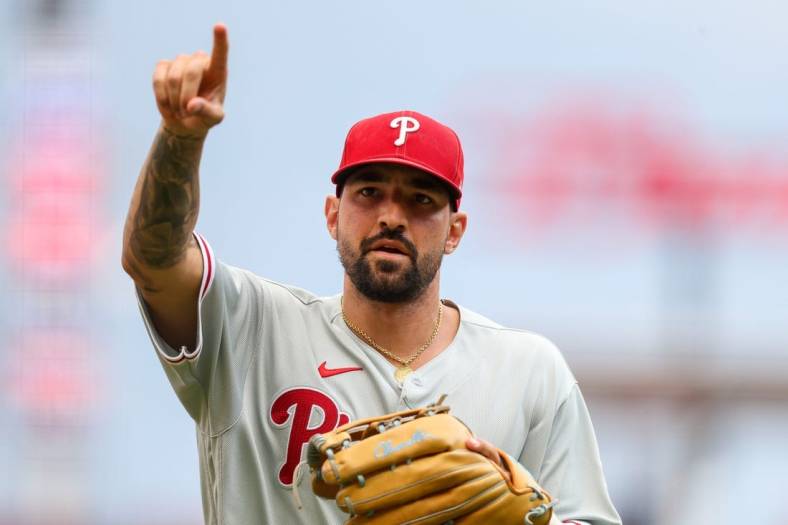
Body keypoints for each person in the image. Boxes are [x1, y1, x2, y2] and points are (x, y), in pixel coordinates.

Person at [122, 23, 621, 525]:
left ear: (455, 231)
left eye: (421, 200)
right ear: (332, 214)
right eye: (369, 192)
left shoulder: (528, 371)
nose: (391, 216)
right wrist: (179, 140)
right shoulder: (253, 328)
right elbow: (153, 259)